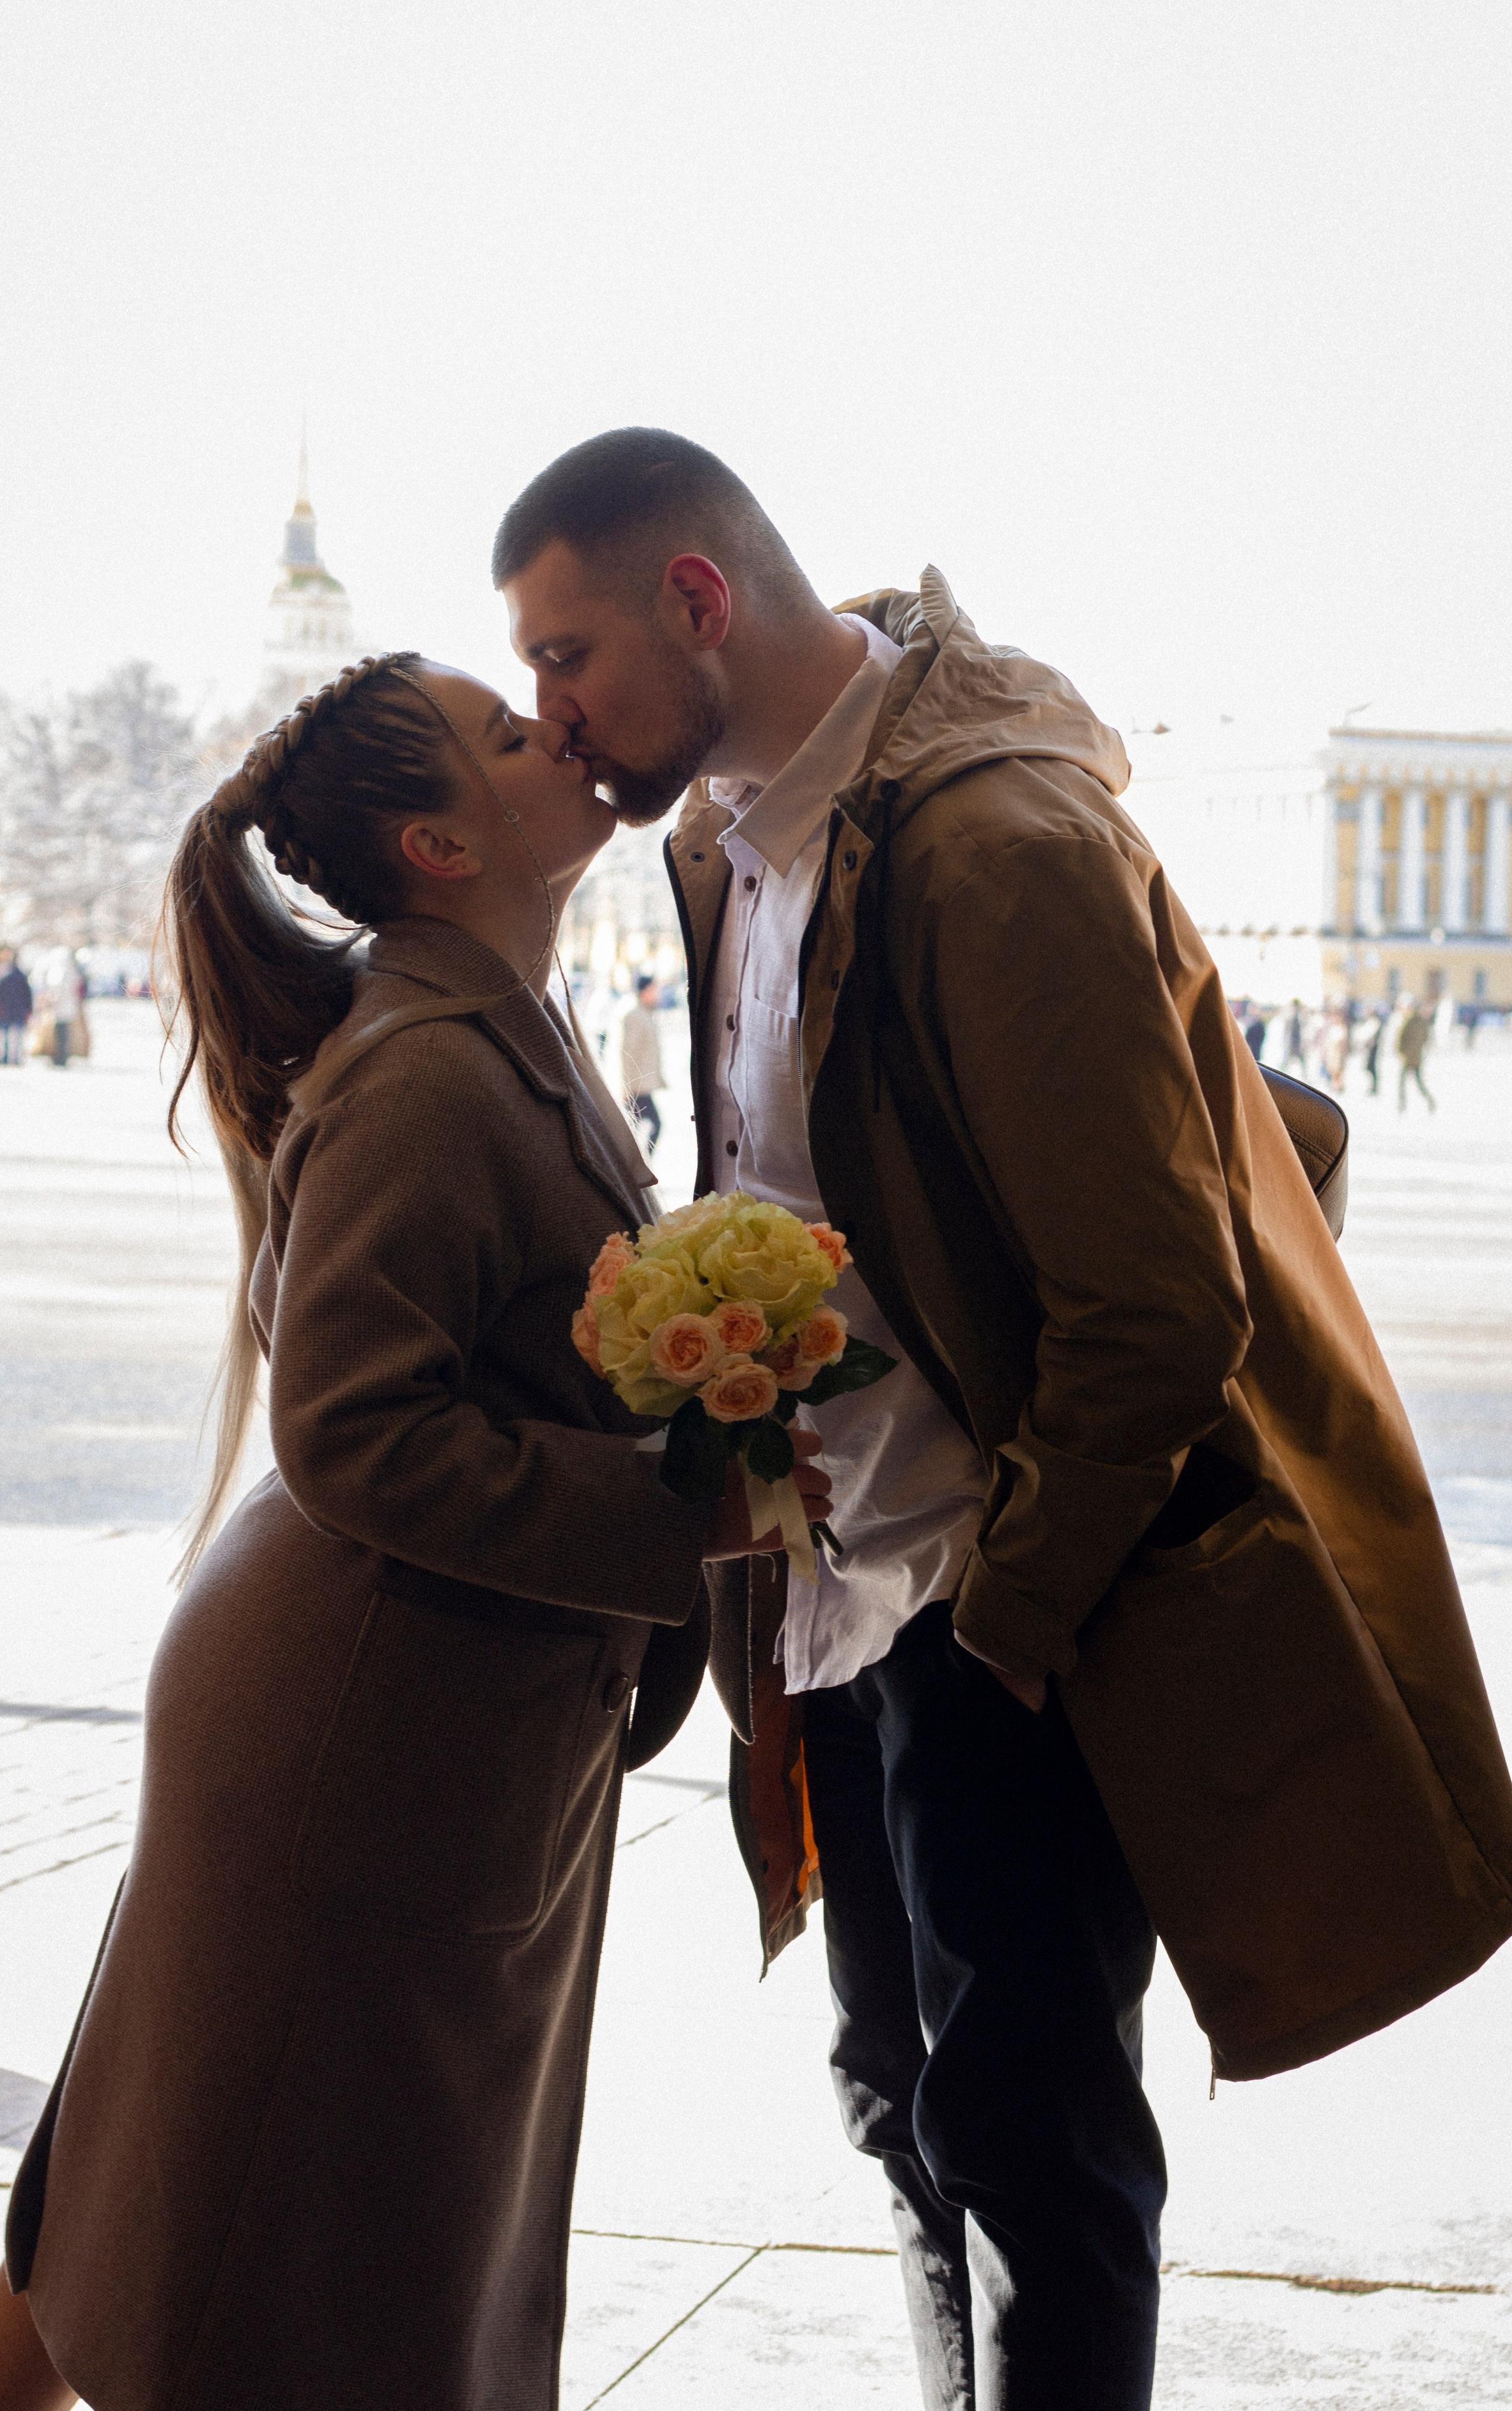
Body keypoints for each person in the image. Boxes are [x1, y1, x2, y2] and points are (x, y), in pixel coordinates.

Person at [495, 428, 1512, 2411]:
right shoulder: (722, 839)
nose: (551, 715)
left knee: (1034, 2146)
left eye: (567, 655)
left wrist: (1012, 1616)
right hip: (837, 1591)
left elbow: (1151, 1307)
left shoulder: (994, 841)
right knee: (899, 2103)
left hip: (993, 1594)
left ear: (694, 600)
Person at [0, 649, 831, 2411]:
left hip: (409, 1699)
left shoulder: (491, 1016)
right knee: (318, 2241)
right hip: (365, 1721)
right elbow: (352, 1424)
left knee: (217, 2174)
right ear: (434, 842)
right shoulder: (429, 1065)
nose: (557, 724)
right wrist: (696, 1505)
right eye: (511, 729)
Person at [620, 969, 665, 1152]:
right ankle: (639, 1166)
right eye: (655, 989)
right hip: (635, 1088)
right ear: (645, 990)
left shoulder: (643, 1012)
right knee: (655, 1124)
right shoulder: (634, 1014)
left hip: (640, 1085)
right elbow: (625, 1052)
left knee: (634, 1130)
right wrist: (625, 1086)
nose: (657, 994)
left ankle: (634, 1167)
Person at [1398, 998, 1437, 1113]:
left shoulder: (1408, 1020)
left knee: (1402, 1083)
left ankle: (1402, 1104)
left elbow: (1400, 1037)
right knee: (1419, 1083)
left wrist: (1401, 1052)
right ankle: (1430, 1100)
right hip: (1417, 1057)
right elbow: (1426, 1039)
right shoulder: (1422, 1022)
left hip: (1406, 1057)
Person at [0, 952, 33, 1064]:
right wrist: (29, 1009)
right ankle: (16, 1058)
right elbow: (28, 995)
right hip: (19, 1009)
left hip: (6, 1009)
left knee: (5, 1035)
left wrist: (0, 1007)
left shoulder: (5, 977)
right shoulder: (22, 977)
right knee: (18, 1036)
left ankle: (5, 1058)